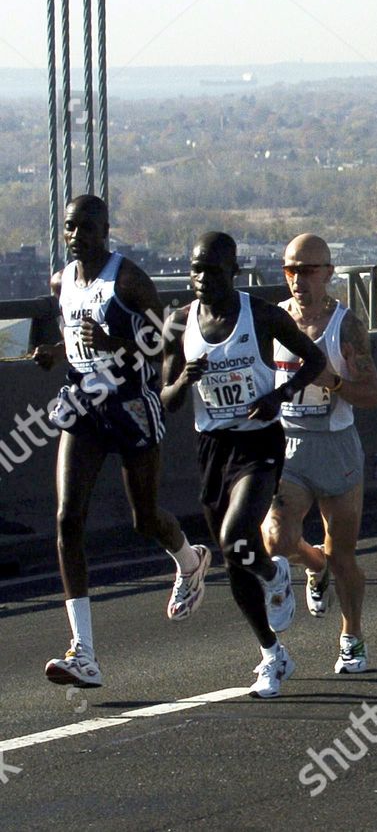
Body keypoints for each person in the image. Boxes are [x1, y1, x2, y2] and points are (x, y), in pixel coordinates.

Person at [32, 195, 204, 689]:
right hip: (84, 403)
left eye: (87, 228)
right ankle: (83, 651)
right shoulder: (62, 280)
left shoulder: (128, 280)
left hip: (130, 403)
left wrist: (113, 345)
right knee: (68, 517)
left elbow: (161, 342)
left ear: (106, 229)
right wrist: (55, 351)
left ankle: (189, 561)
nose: (77, 236)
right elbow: (75, 335)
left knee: (143, 519)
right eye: (70, 228)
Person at [161, 232, 327, 697]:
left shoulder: (260, 314)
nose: (201, 279)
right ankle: (272, 656)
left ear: (232, 272)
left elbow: (313, 359)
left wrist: (280, 395)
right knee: (235, 561)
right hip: (213, 447)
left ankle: (275, 573)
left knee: (236, 538)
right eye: (195, 269)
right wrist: (183, 381)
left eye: (212, 270)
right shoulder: (179, 323)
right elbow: (167, 399)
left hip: (259, 444)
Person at [259, 235, 377, 674]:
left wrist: (334, 382)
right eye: (291, 269)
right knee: (275, 539)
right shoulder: (272, 321)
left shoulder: (345, 326)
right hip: (288, 445)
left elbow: (372, 394)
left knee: (343, 554)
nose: (298, 279)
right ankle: (314, 567)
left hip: (336, 447)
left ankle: (352, 636)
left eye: (309, 270)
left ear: (329, 273)